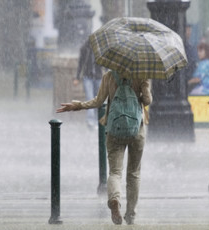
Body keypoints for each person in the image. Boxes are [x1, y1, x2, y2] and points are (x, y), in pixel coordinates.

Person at [57, 71, 152, 225]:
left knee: (115, 172)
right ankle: (131, 215)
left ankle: (114, 199)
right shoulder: (141, 74)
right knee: (134, 173)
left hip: (115, 129)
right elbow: (147, 100)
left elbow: (98, 101)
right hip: (136, 129)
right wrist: (140, 94)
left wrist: (78, 106)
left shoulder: (109, 76)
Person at [73, 40, 105, 129]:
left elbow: (105, 63)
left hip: (98, 77)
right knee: (90, 98)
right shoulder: (85, 48)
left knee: (97, 99)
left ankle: (96, 120)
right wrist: (77, 77)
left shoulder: (101, 50)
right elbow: (81, 64)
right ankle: (90, 121)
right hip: (88, 77)